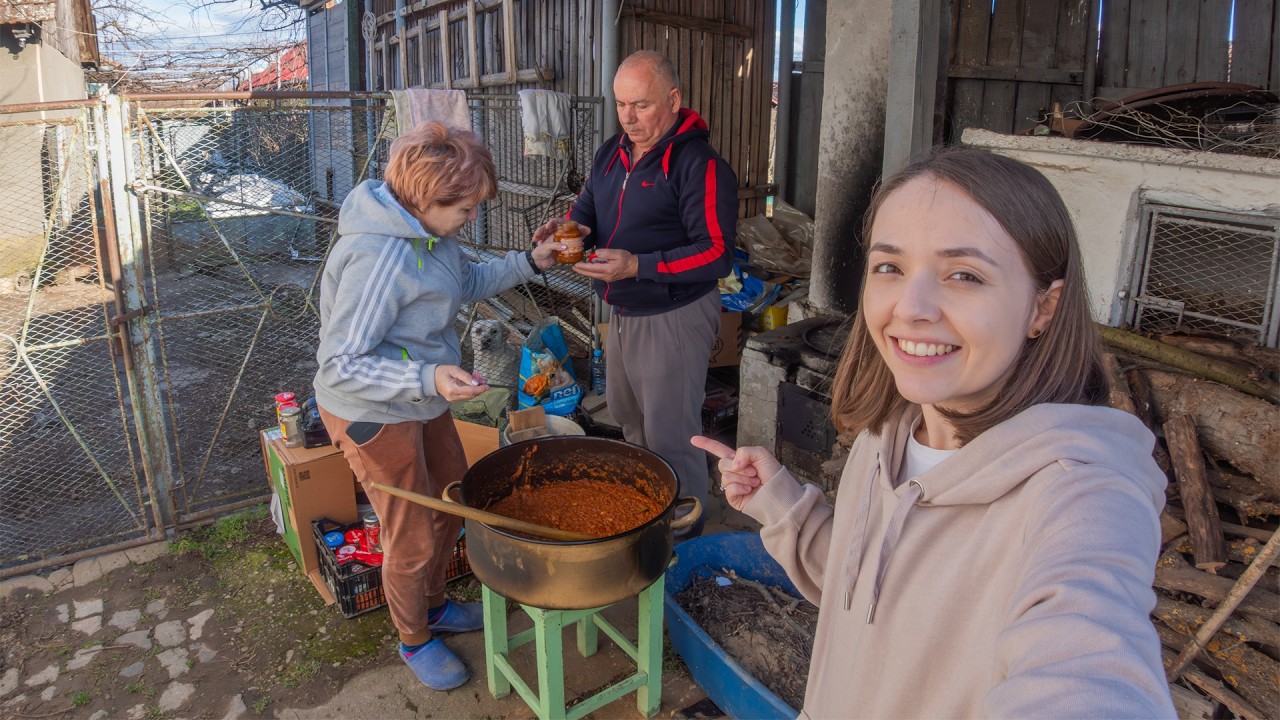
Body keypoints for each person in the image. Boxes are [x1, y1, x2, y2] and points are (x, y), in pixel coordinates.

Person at [692, 148, 1176, 717]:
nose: (911, 306)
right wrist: (783, 506)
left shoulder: (1080, 497)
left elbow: (1087, 667)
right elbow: (869, 593)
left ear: (1044, 307)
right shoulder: (887, 439)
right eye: (890, 267)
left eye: (965, 275)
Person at [314, 121, 560, 691]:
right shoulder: (380, 258)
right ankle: (413, 639)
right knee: (411, 533)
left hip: (422, 397)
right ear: (426, 198)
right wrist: (428, 374)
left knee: (453, 501)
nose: (471, 218)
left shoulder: (432, 235)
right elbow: (340, 364)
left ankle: (433, 604)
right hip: (371, 409)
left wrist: (532, 261)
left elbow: (465, 282)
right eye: (466, 208)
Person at [535, 50, 738, 538]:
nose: (629, 116)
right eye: (622, 104)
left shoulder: (699, 165)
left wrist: (637, 265)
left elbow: (716, 255)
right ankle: (650, 520)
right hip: (622, 308)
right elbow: (587, 209)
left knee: (673, 435)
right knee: (630, 420)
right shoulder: (613, 151)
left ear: (673, 100)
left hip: (675, 312)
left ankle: (684, 541)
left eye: (641, 105)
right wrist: (567, 228)